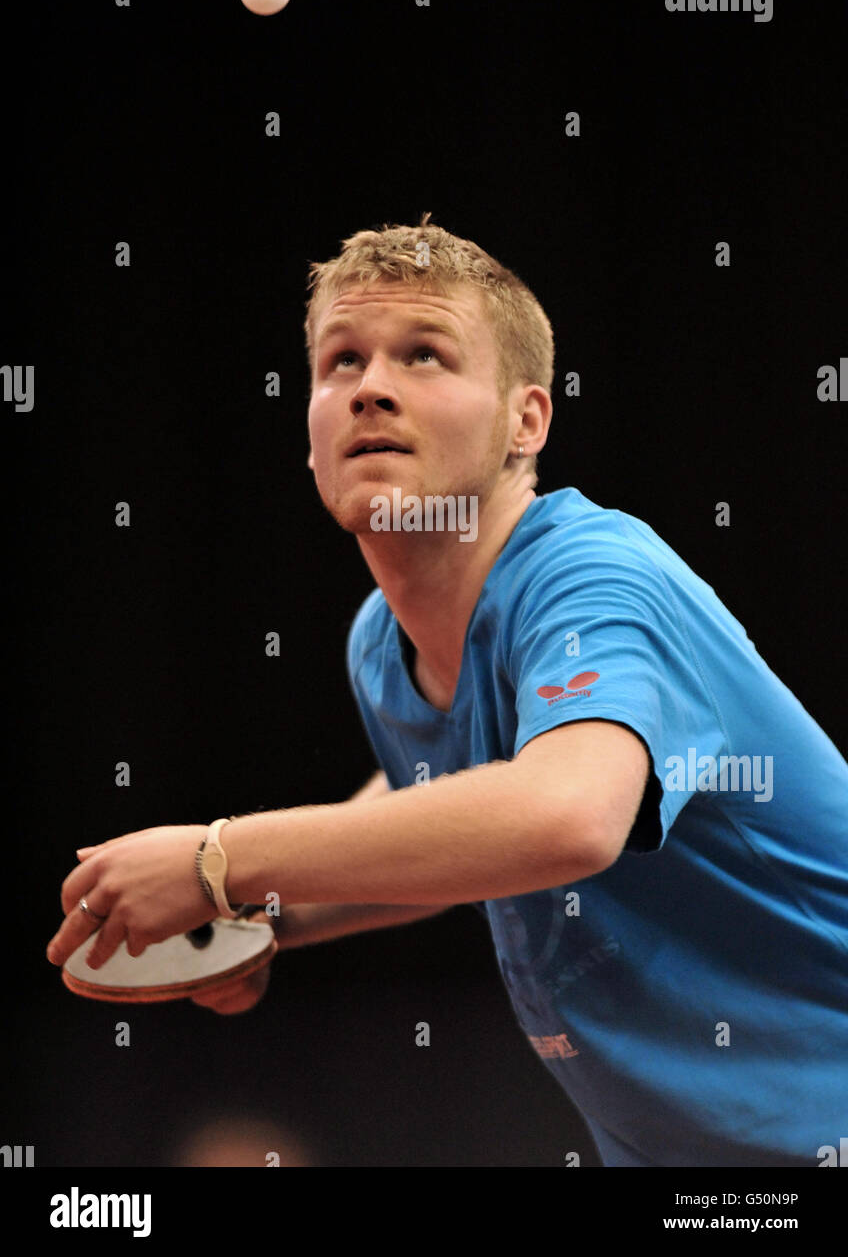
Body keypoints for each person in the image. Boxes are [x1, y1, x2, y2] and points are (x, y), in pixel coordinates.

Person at [47, 218, 848, 1168]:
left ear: (528, 421)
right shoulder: (381, 645)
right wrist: (261, 912)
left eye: (424, 355)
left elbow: (566, 813)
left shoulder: (597, 579)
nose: (370, 387)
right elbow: (451, 799)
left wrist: (219, 858)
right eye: (340, 362)